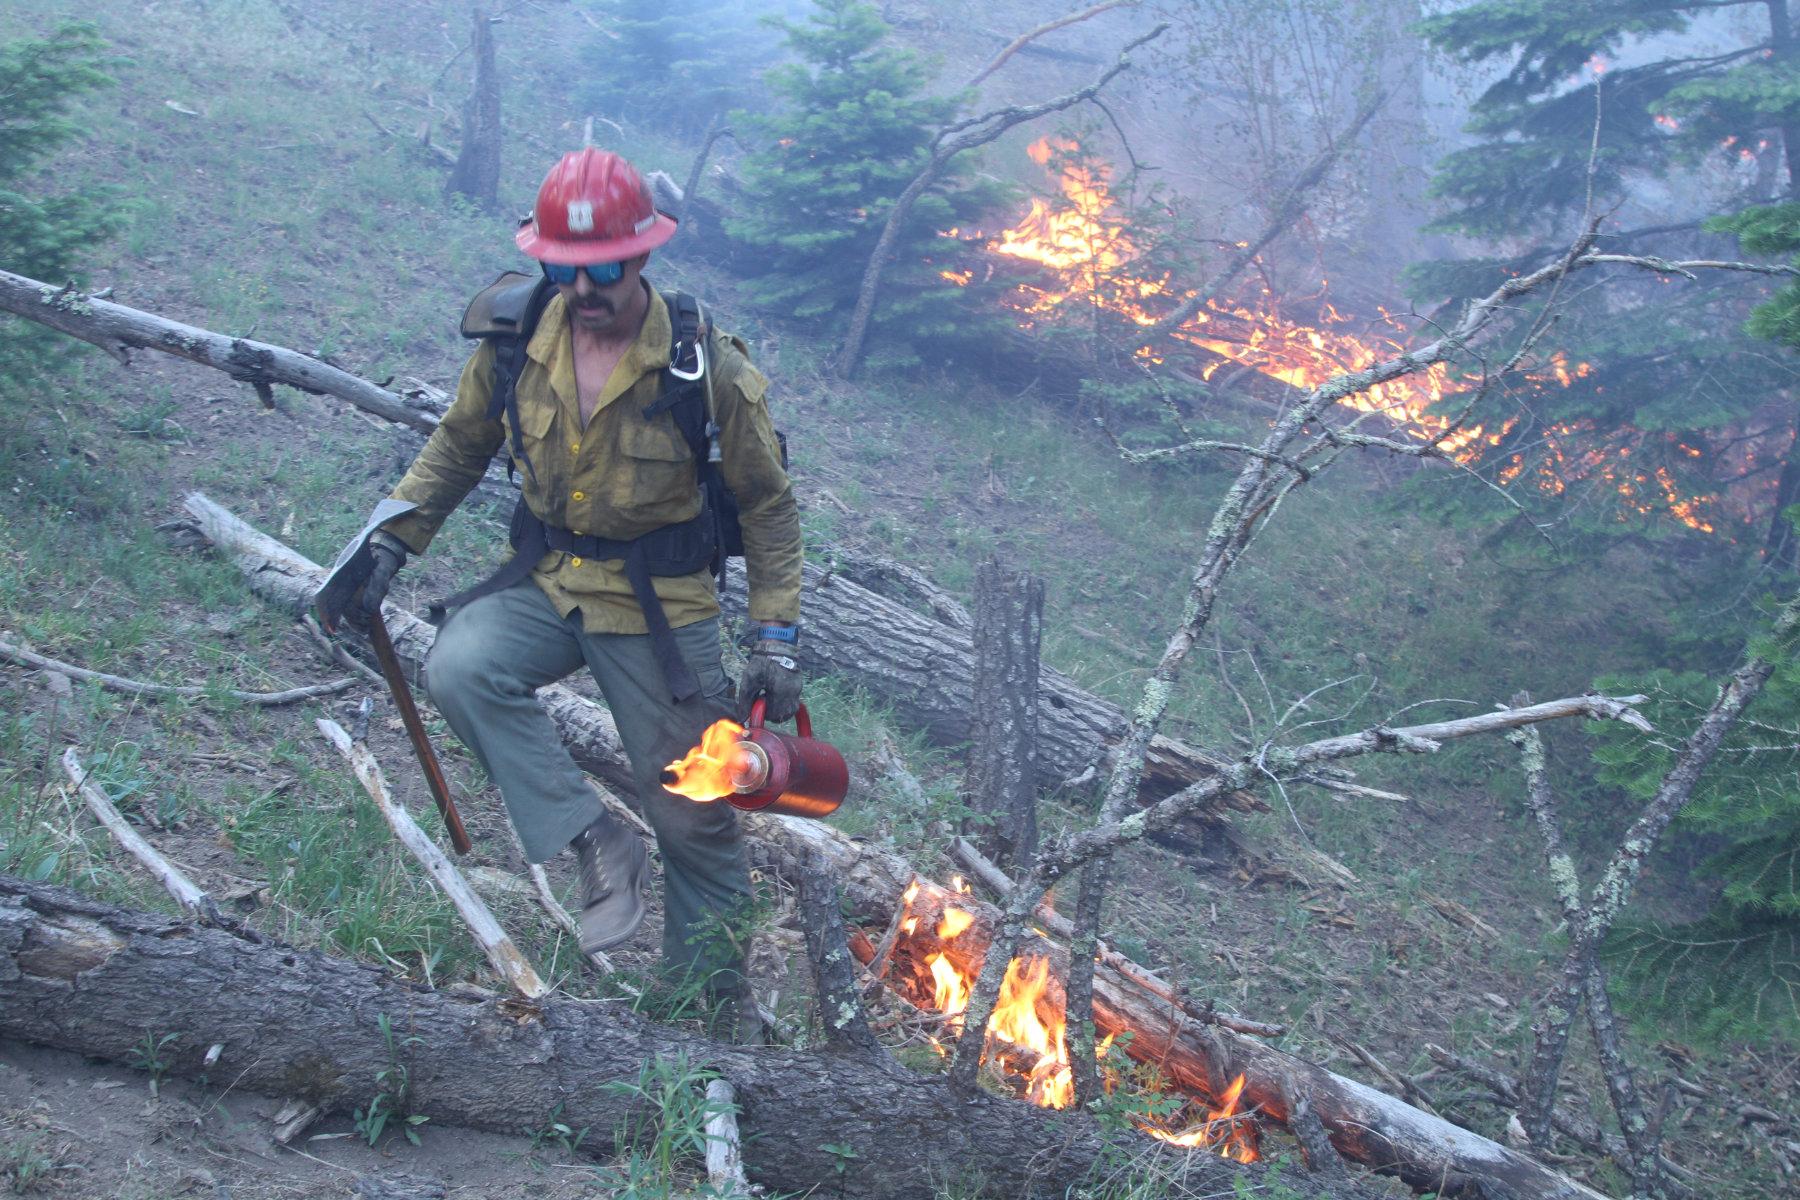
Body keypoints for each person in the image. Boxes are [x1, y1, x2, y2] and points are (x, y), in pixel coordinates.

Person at [338, 148, 802, 1029]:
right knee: (463, 665)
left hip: (662, 608)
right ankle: (595, 840)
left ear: (646, 254)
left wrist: (774, 634)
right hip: (547, 577)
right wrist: (391, 538)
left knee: (694, 815)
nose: (584, 289)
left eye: (605, 270)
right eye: (564, 269)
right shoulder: (515, 340)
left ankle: (705, 1006)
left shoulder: (711, 369)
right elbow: (456, 445)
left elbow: (770, 507)